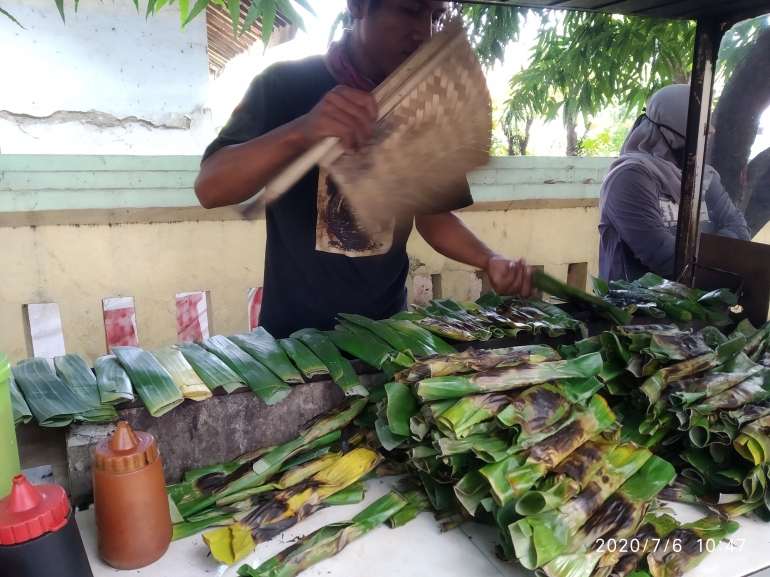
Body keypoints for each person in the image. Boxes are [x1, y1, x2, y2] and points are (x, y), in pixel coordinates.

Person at [194, 0, 533, 338]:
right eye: (410, 10)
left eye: (436, 17)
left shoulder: (425, 107)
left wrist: (489, 260)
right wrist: (300, 131)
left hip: (386, 339)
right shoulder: (285, 85)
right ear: (357, 6)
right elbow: (210, 188)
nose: (424, 32)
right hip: (294, 345)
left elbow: (435, 217)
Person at [598, 84, 750, 282]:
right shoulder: (631, 177)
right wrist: (720, 252)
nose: (711, 130)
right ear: (672, 128)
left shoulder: (704, 177)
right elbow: (666, 259)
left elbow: (741, 230)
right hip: (635, 308)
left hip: (694, 301)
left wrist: (695, 253)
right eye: (701, 122)